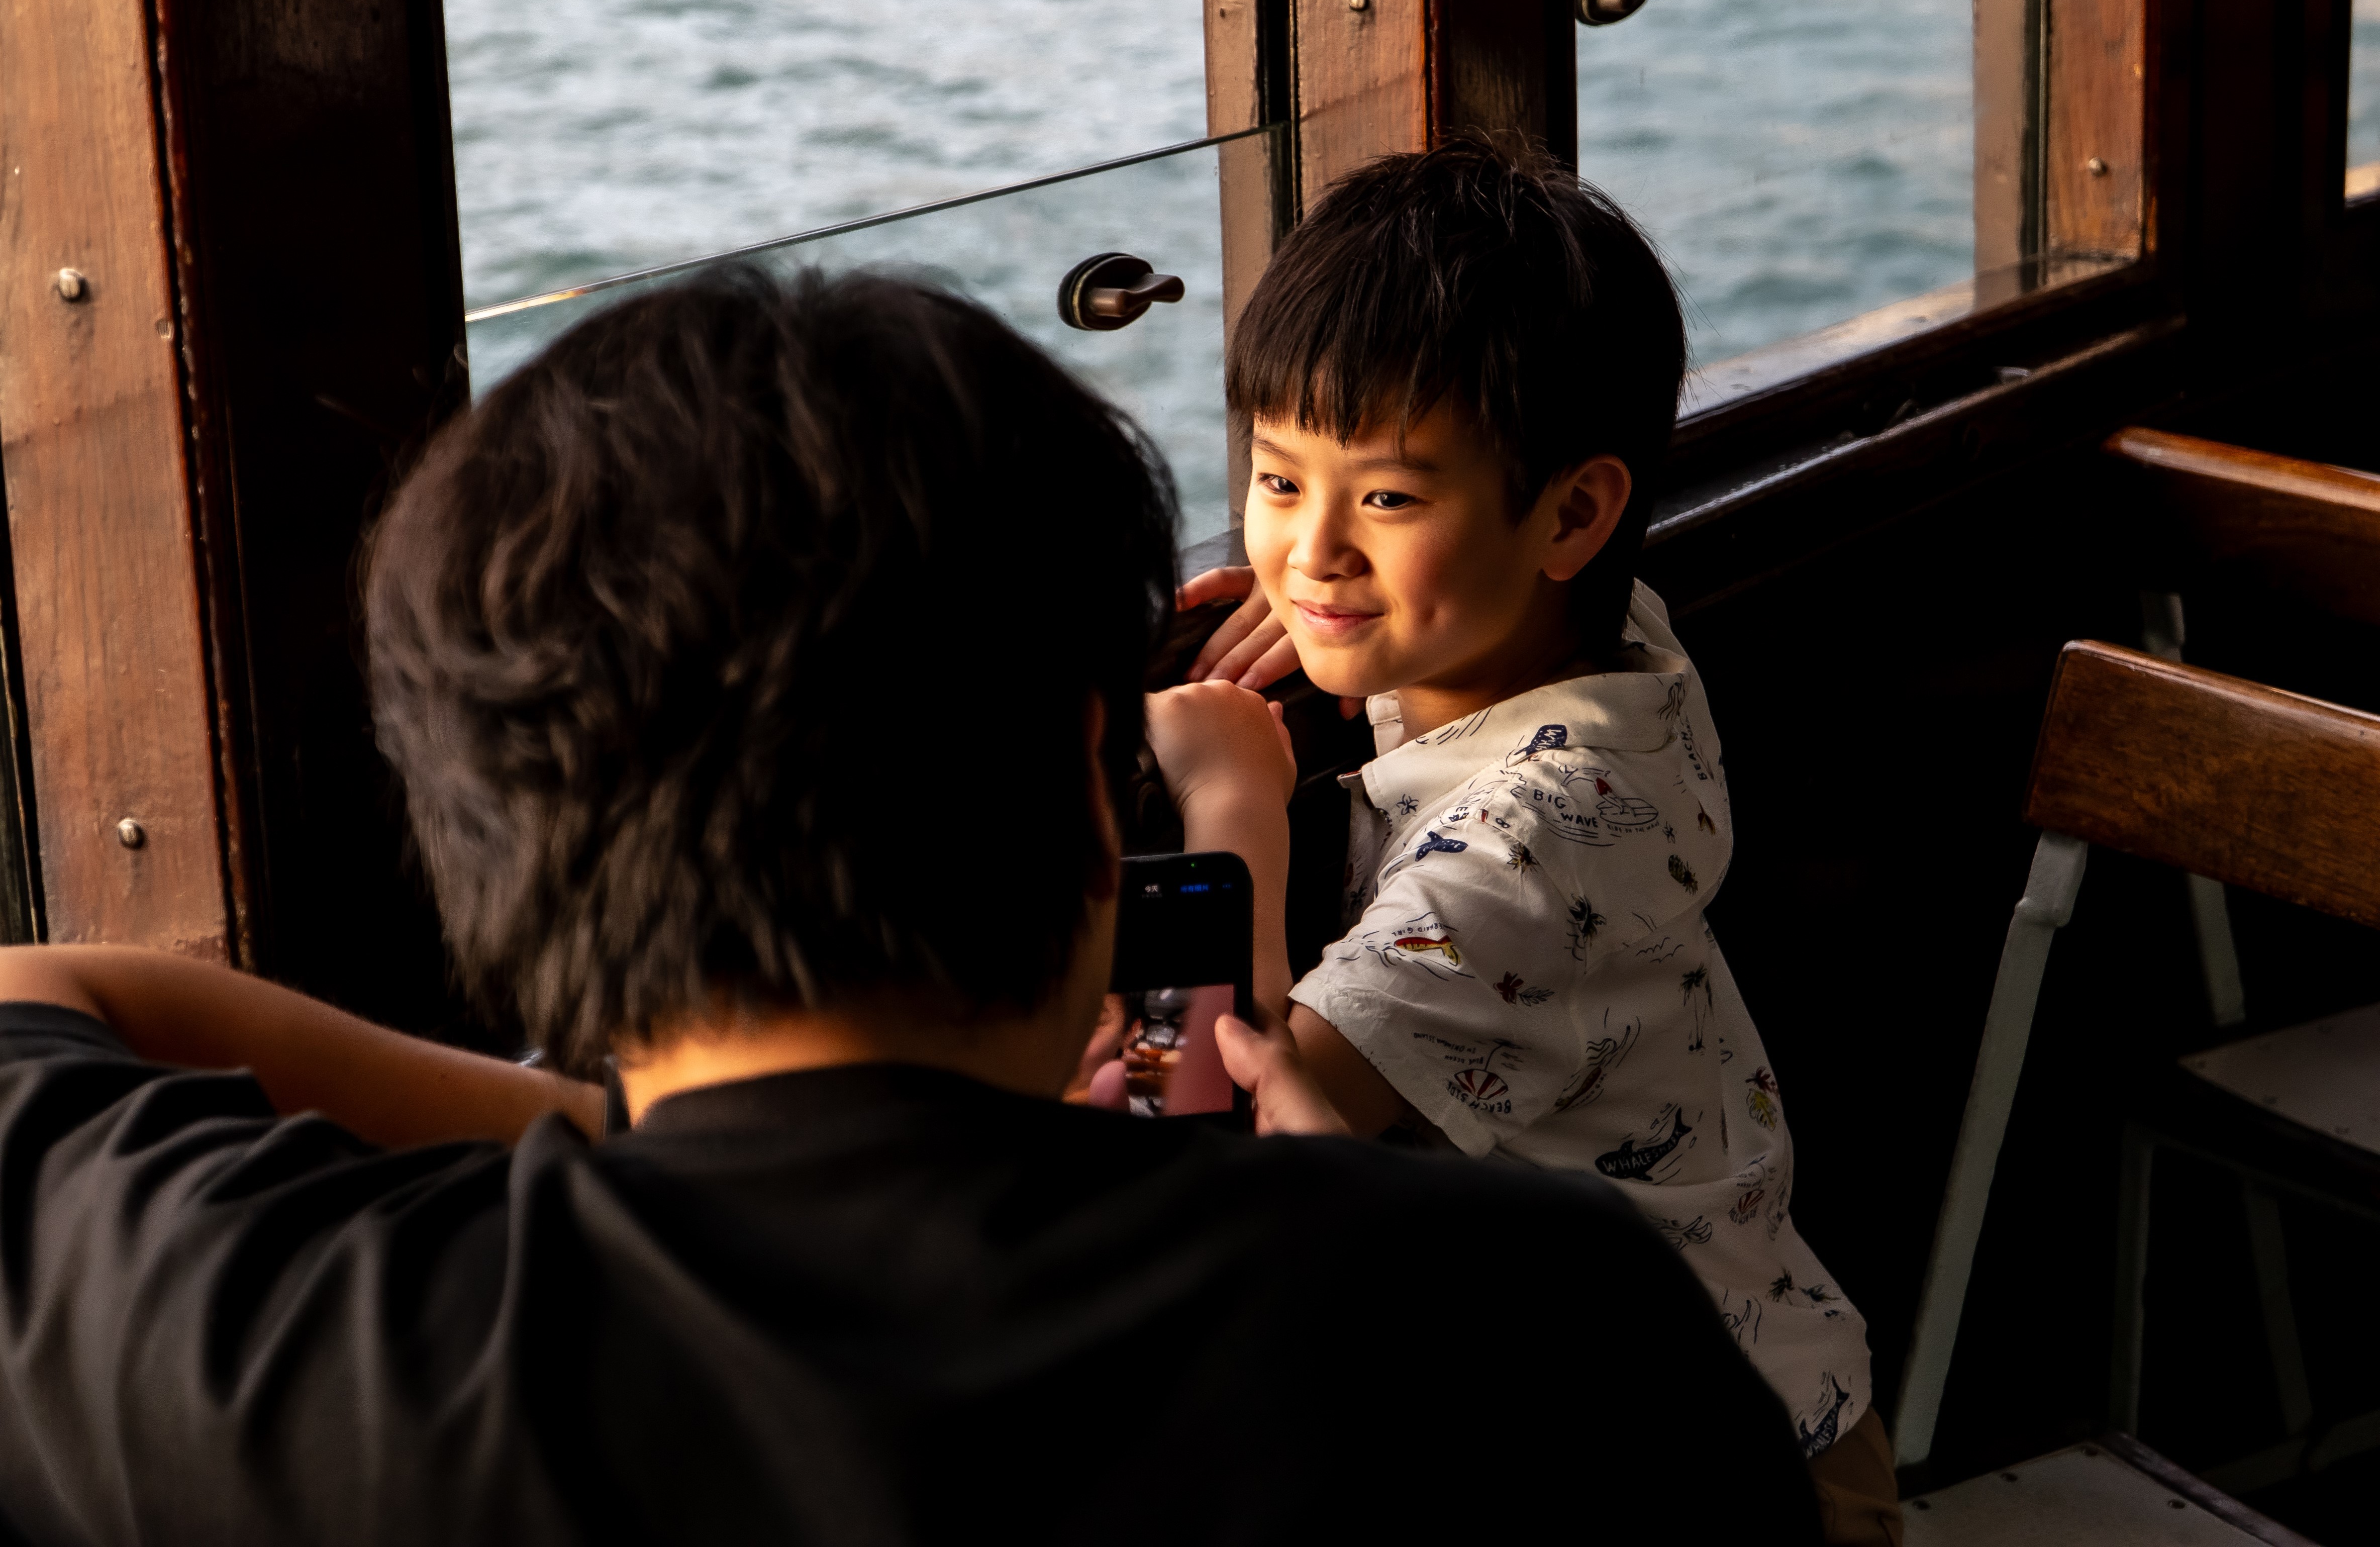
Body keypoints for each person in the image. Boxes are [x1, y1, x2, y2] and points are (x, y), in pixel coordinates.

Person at [0, 267, 1821, 1545]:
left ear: (481, 833)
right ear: (1088, 796)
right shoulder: (1529, 1324)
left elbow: (43, 992)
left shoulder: (283, 1356)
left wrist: (637, 1127)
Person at [1146, 138, 1902, 1546]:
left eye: (1386, 499)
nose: (1312, 552)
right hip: (1675, 1400)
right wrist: (1337, 614)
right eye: (1277, 480)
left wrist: (1230, 804)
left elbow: (1235, 1110)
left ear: (1573, 514)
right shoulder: (1611, 646)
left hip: (1716, 1487)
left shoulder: (1535, 841)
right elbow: (1418, 576)